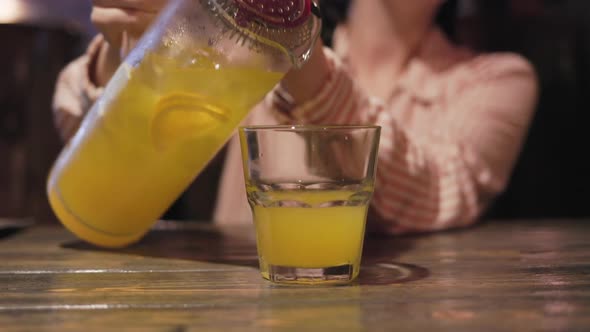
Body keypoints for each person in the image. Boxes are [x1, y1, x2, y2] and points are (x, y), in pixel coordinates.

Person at [53, 0, 538, 234]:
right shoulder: (240, 48)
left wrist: (293, 43)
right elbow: (86, 132)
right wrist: (132, 45)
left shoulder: (497, 80)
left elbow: (437, 192)